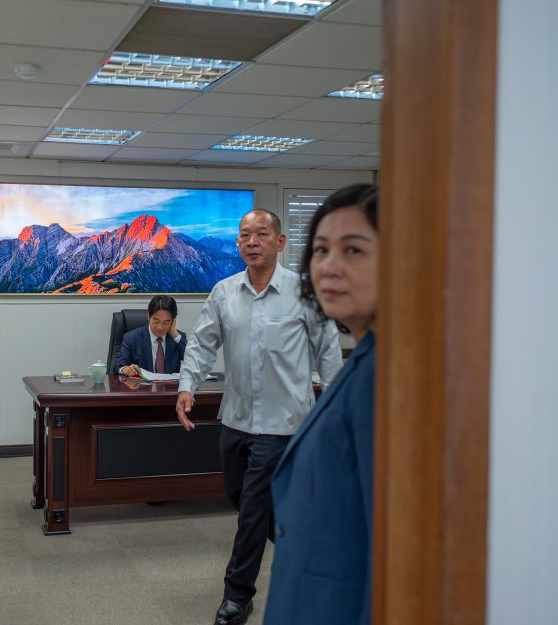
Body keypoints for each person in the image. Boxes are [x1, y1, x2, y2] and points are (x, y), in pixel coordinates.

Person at [176, 208, 343, 625]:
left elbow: (327, 351)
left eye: (261, 234)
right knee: (241, 498)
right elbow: (200, 344)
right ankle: (313, 553)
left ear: (280, 242)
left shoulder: (305, 293)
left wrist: (337, 406)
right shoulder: (224, 291)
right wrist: (186, 387)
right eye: (244, 235)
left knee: (251, 510)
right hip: (235, 420)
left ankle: (237, 596)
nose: (252, 242)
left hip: (284, 424)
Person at [264, 184, 379, 625]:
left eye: (353, 250)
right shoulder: (365, 360)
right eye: (320, 250)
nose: (328, 267)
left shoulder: (387, 381)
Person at [117, 295, 186, 376]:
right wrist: (125, 369)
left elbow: (193, 361)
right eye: (156, 321)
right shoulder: (132, 338)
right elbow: (119, 365)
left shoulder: (178, 338)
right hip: (143, 387)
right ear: (148, 316)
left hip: (170, 388)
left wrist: (175, 336)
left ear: (173, 320)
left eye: (166, 322)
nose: (160, 327)